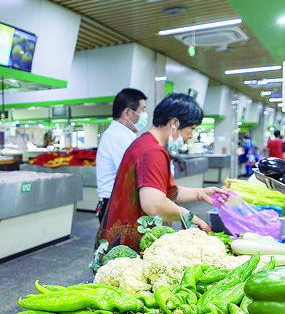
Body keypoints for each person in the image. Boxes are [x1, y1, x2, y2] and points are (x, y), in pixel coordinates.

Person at [97, 93, 227, 251]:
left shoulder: (145, 144)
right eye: (191, 129)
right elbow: (154, 203)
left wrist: (200, 193)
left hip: (123, 235)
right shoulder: (152, 151)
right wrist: (190, 217)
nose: (190, 136)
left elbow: (164, 191)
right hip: (128, 242)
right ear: (174, 123)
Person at [95, 88, 147, 221]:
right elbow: (134, 173)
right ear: (128, 112)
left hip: (118, 203)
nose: (145, 115)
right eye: (143, 110)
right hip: (116, 206)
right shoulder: (119, 136)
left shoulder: (123, 135)